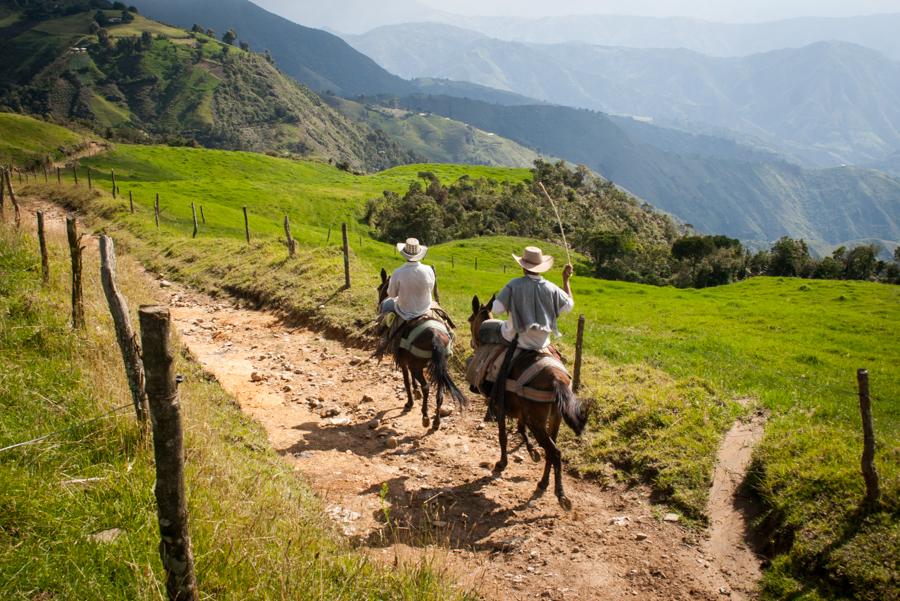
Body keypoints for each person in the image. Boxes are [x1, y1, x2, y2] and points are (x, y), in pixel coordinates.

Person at [492, 246, 574, 351]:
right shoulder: (552, 288)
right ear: (541, 267)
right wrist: (565, 280)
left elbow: (496, 309)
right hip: (542, 343)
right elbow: (569, 304)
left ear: (523, 267)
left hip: (515, 339)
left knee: (487, 327)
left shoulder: (513, 284)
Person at [381, 238, 436, 323]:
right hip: (425, 308)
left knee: (384, 305)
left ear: (404, 254)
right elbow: (430, 288)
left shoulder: (398, 272)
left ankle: (381, 331)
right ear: (419, 253)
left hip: (404, 312)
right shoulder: (429, 269)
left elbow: (392, 295)